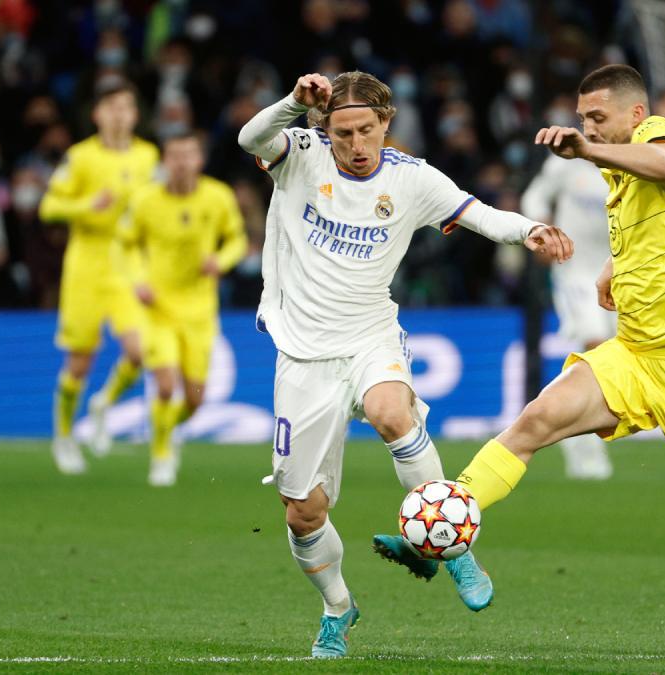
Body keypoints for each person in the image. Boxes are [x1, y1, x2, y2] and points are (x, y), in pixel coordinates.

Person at [390, 65, 665, 630]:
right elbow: (652, 226)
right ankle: (442, 524)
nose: (589, 128)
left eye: (598, 118)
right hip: (634, 355)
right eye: (582, 119)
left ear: (636, 115)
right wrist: (613, 269)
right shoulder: (618, 179)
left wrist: (586, 150)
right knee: (535, 420)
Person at [237, 71, 572, 658]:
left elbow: (481, 215)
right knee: (301, 512)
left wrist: (532, 231)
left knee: (392, 411)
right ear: (326, 128)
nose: (357, 143)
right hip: (303, 353)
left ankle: (457, 550)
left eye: (367, 129)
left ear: (386, 123)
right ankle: (338, 607)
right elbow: (248, 138)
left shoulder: (411, 180)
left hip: (371, 335)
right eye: (344, 132)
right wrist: (294, 102)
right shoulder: (299, 154)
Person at [39, 79, 160, 474]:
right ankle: (63, 436)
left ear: (135, 114)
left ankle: (104, 402)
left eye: (125, 106)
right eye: (111, 107)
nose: (119, 114)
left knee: (140, 351)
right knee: (79, 361)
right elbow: (48, 207)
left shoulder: (147, 156)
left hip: (128, 267)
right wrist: (86, 205)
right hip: (86, 268)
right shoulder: (80, 157)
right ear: (97, 115)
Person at [119, 132, 247, 486]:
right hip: (157, 307)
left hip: (199, 311)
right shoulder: (146, 200)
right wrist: (137, 280)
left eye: (188, 154)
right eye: (174, 155)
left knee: (194, 400)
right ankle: (161, 455)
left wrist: (220, 261)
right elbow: (125, 245)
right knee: (164, 384)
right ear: (165, 160)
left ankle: (165, 428)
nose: (181, 162)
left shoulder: (218, 197)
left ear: (199, 160)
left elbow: (237, 239)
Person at [520, 152, 614, 479]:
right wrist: (543, 232)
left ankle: (562, 418)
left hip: (619, 273)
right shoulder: (565, 163)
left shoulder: (628, 161)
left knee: (608, 364)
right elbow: (534, 196)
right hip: (574, 272)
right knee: (596, 349)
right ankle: (580, 446)